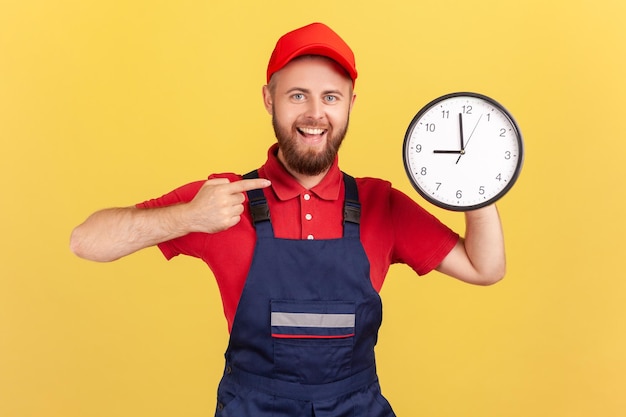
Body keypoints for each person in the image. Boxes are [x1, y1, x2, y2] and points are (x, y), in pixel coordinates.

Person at [70, 22, 505, 417]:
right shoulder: (223, 198)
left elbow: (485, 267)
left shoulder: (379, 202)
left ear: (350, 104)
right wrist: (188, 216)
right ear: (269, 99)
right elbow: (86, 242)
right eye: (298, 95)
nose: (315, 114)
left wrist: (479, 184)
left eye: (330, 97)